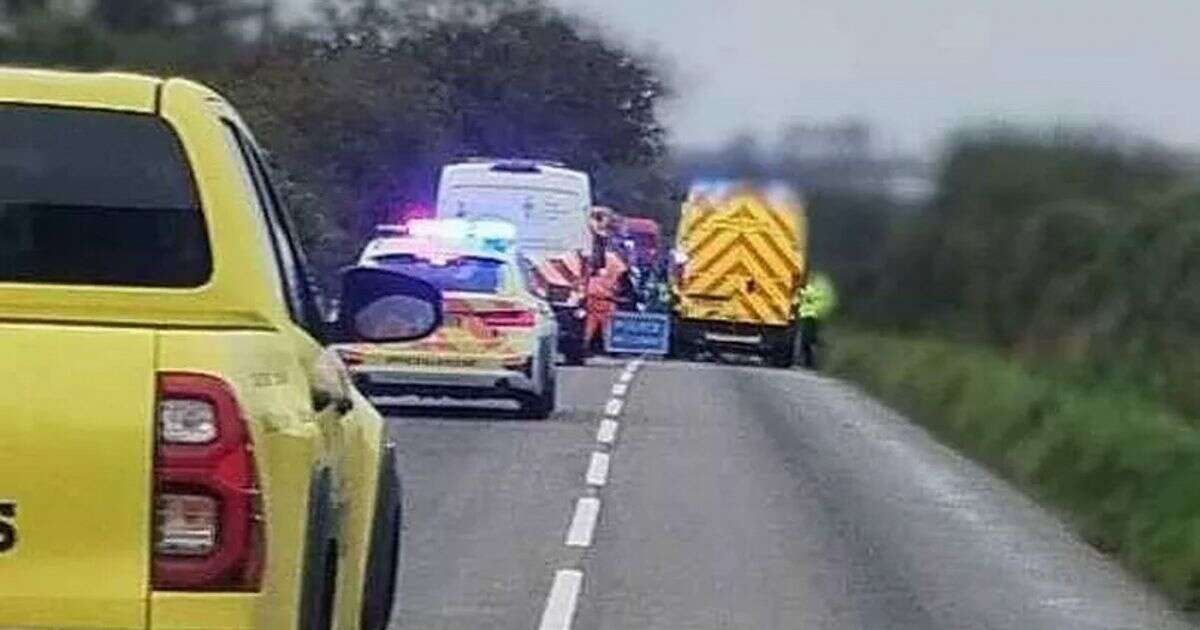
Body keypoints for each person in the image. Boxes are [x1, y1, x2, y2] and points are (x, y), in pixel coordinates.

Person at [797, 271, 837, 369]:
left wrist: (800, 292)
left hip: (811, 316)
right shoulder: (823, 284)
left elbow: (809, 294)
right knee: (810, 340)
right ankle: (809, 362)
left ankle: (809, 362)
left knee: (807, 340)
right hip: (815, 316)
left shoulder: (817, 285)